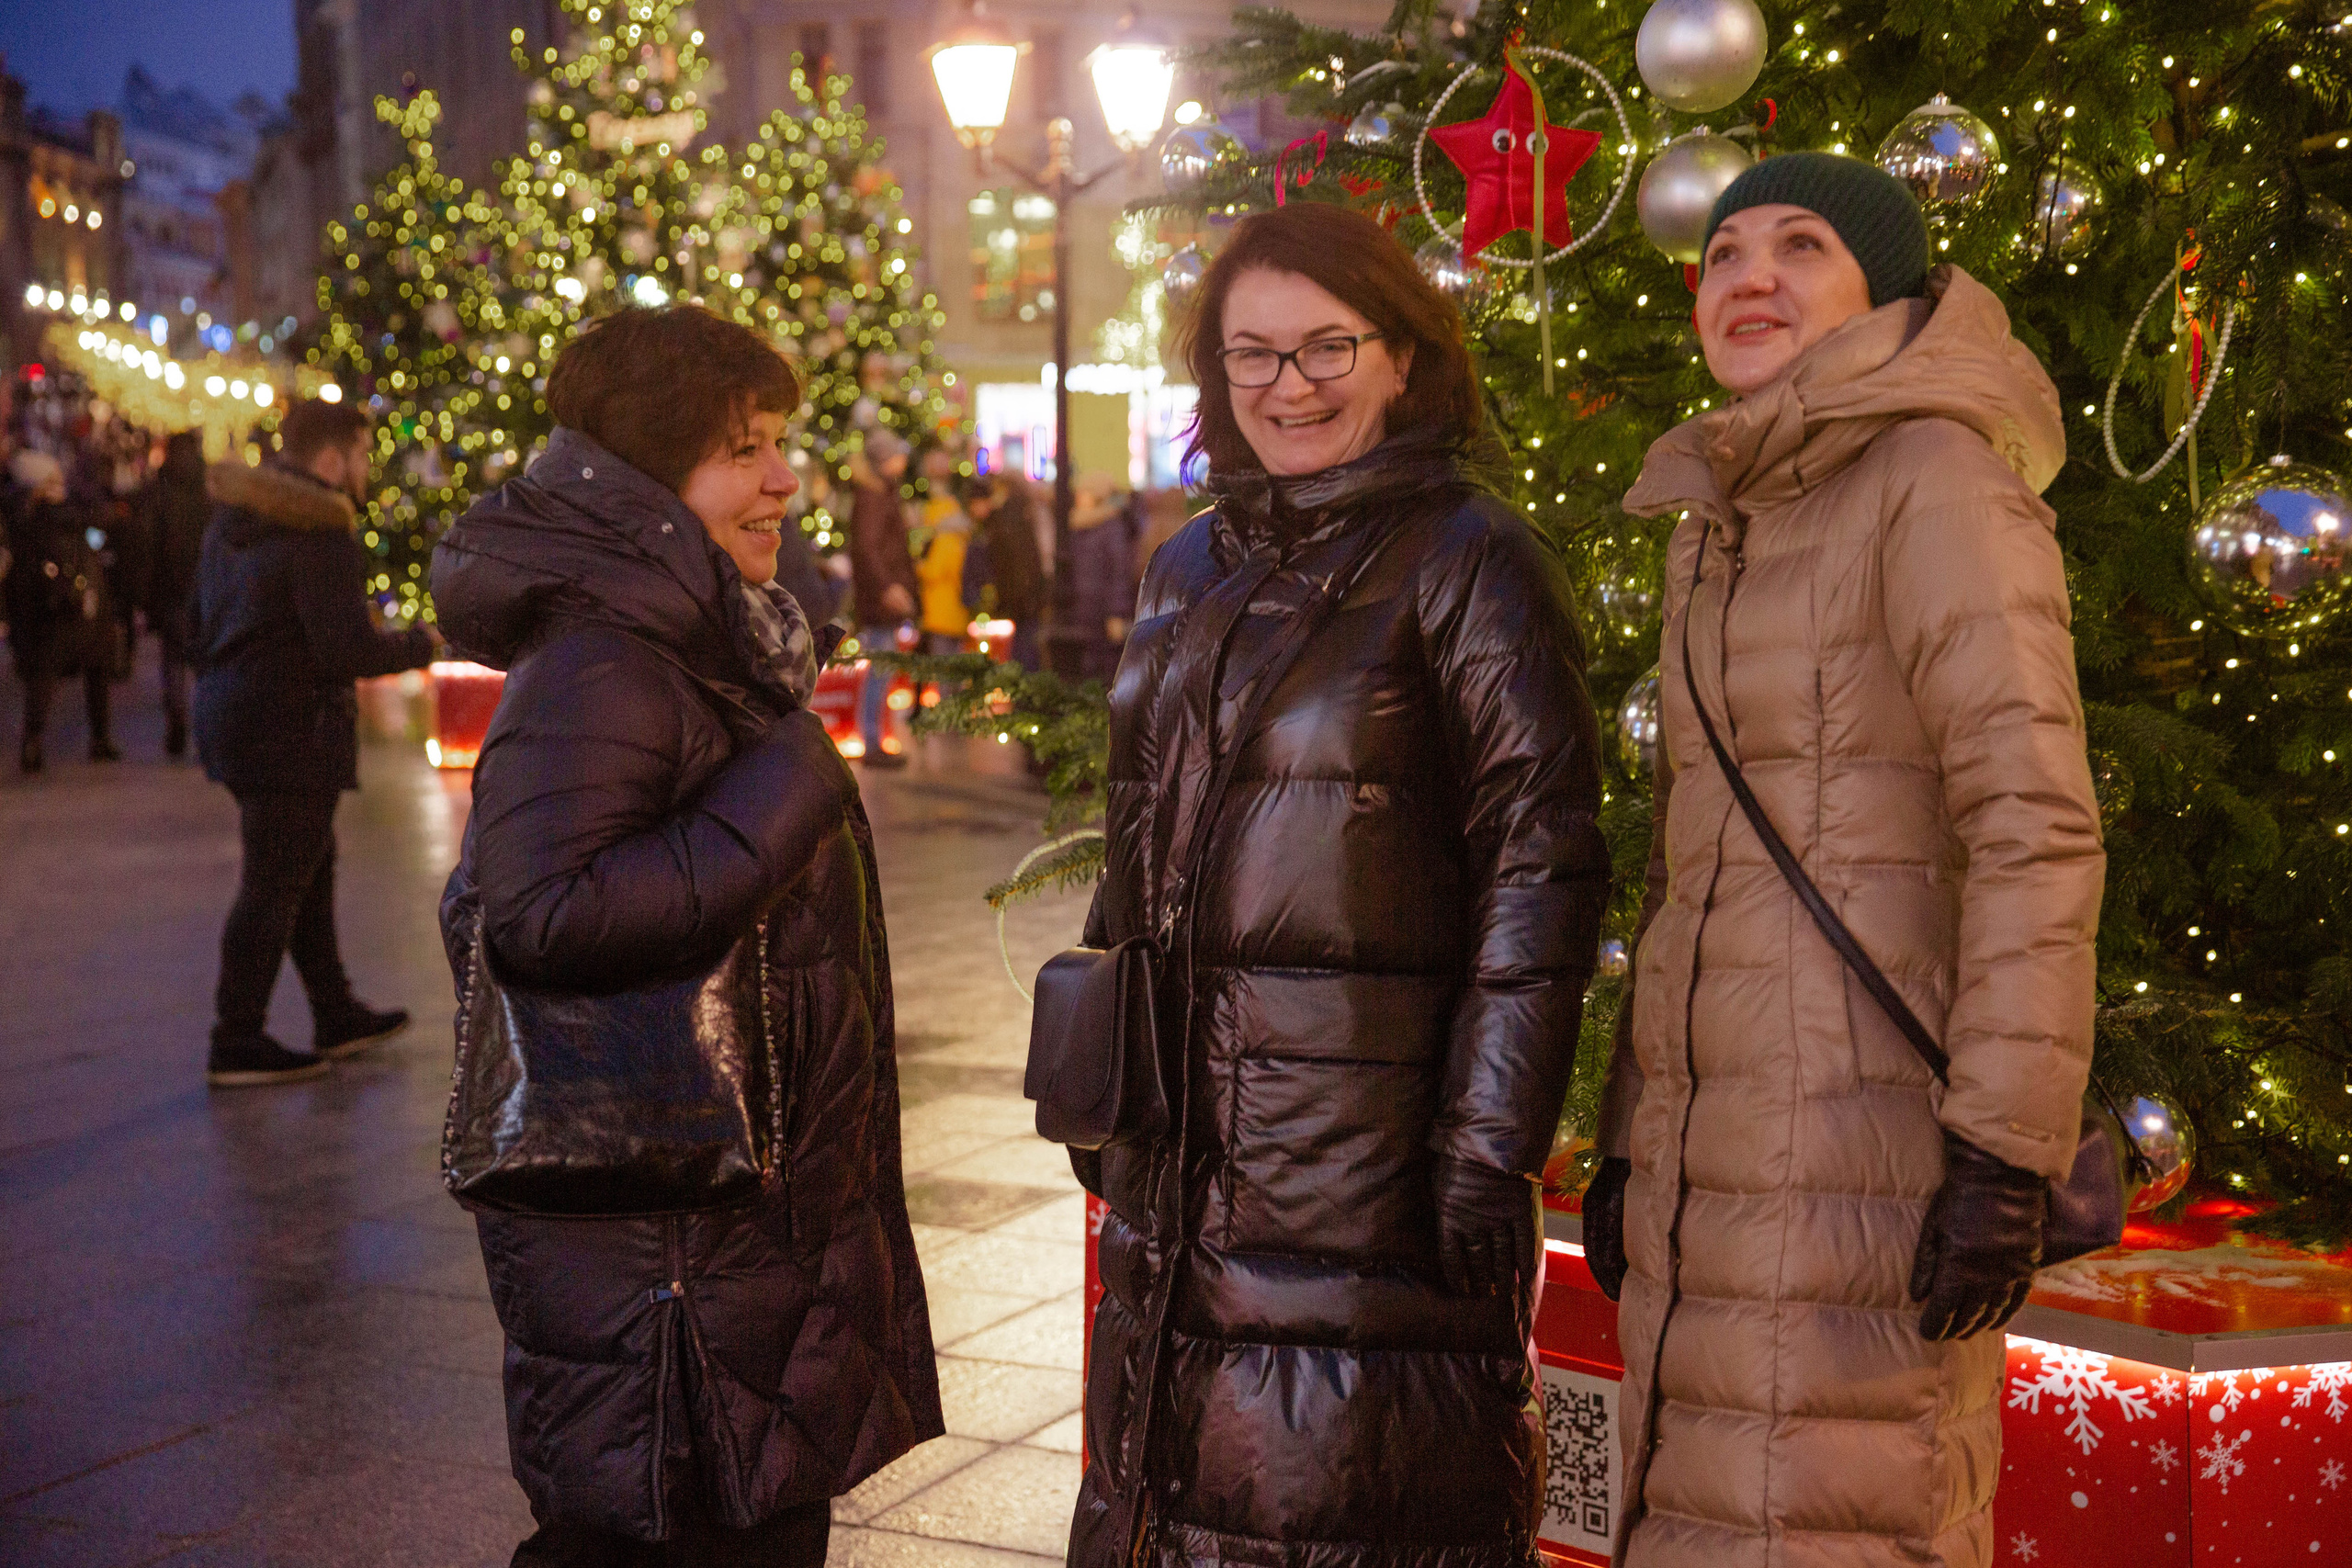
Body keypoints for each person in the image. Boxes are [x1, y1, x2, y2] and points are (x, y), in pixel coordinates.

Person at [1066, 201, 1610, 1565]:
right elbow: (1141, 829)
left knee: (1344, 1502)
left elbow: (1539, 866)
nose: (1286, 385)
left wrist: (1489, 1141)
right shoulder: (1188, 561)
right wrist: (1100, 1064)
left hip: (1366, 1159)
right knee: (1171, 1498)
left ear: (1404, 358)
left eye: (1325, 348)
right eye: (1251, 355)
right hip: (1185, 1150)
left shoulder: (1470, 555)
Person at [1583, 153, 2103, 1568]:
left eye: (1799, 245)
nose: (1749, 276)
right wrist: (1635, 1134)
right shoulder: (1724, 516)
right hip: (1721, 1151)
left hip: (1869, 1152)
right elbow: (1689, 869)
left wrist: (2004, 1149)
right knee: (1707, 1505)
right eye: (1724, 252)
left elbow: (2032, 820)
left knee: (1833, 1512)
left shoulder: (1934, 477)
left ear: (1885, 290)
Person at [430, 304, 941, 1567]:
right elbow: (540, 911)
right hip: (670, 1270)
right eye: (746, 448)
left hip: (724, 1247)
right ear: (652, 483)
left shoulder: (691, 641)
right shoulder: (603, 662)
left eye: (779, 442)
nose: (783, 477)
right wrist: (782, 792)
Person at [193, 400, 439, 1086]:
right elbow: (343, 647)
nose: (367, 470)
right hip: (290, 728)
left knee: (306, 866)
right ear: (333, 458)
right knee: (274, 883)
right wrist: (421, 643)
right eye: (363, 455)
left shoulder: (235, 520)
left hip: (235, 716)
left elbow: (195, 618)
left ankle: (334, 1011)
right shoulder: (320, 528)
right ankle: (236, 1037)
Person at [6, 446, 119, 771]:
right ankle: (85, 739)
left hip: (62, 605)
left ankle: (44, 741)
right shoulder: (47, 514)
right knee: (63, 675)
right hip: (68, 605)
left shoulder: (30, 515)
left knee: (67, 674)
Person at [845, 428, 914, 764]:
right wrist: (888, 587)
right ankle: (871, 742)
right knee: (879, 671)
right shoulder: (873, 497)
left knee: (882, 671)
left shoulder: (881, 493)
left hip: (880, 600)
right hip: (879, 602)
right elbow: (869, 549)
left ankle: (875, 739)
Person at [143, 430, 209, 756]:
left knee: (173, 661)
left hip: (171, 588)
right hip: (204, 589)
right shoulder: (207, 491)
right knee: (203, 662)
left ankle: (177, 721)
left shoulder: (160, 489)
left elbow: (150, 544)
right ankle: (201, 728)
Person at [1062, 471, 1135, 682]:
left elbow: (1119, 575)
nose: (1078, 496)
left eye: (1084, 492)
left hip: (1103, 611)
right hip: (1086, 608)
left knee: (1106, 668)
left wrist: (1117, 613)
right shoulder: (1081, 525)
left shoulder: (1111, 527)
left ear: (1097, 496)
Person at [967, 472, 1045, 668]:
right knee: (1024, 651)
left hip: (1022, 600)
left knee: (1024, 654)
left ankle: (1023, 696)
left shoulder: (1007, 519)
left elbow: (1016, 564)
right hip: (1025, 599)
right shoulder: (1018, 515)